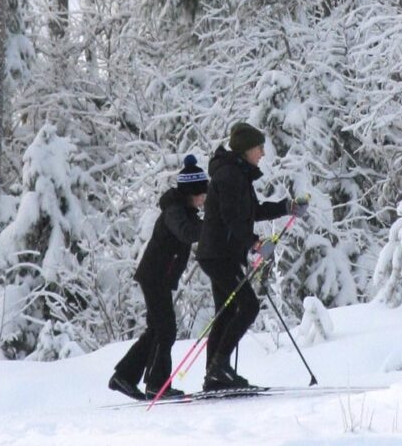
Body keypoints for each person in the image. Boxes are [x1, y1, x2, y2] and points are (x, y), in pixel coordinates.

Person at [196, 121, 301, 391]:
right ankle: (219, 368)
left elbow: (251, 211)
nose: (263, 153)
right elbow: (232, 219)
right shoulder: (229, 176)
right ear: (245, 149)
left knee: (228, 310)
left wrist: (286, 207)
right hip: (220, 254)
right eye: (259, 147)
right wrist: (255, 243)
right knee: (248, 306)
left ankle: (215, 376)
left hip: (221, 253)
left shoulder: (238, 174)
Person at [109, 154, 209, 401]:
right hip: (155, 277)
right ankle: (157, 384)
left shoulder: (184, 210)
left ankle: (124, 376)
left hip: (158, 277)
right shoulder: (175, 212)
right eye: (202, 194)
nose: (204, 198)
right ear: (190, 192)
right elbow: (187, 233)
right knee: (166, 330)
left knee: (157, 329)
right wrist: (211, 225)